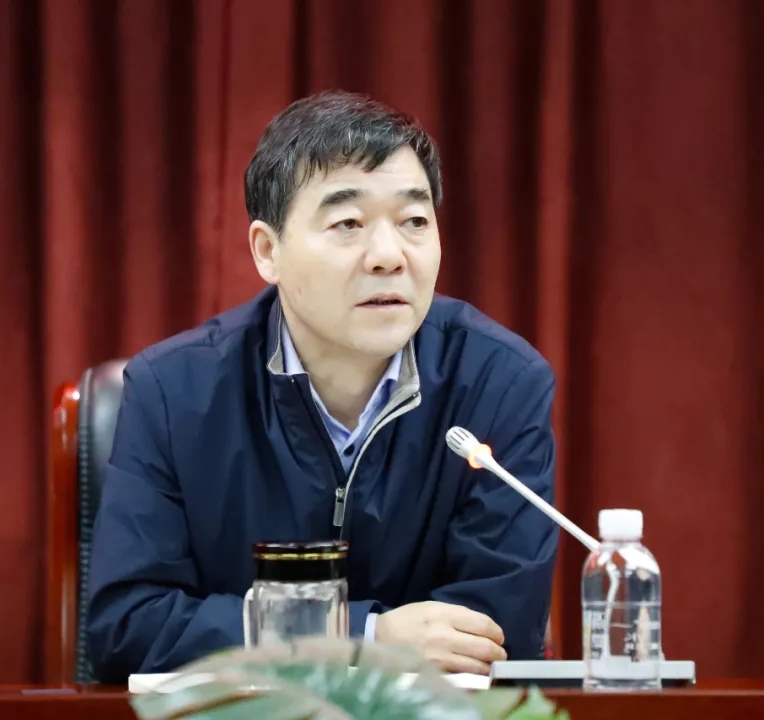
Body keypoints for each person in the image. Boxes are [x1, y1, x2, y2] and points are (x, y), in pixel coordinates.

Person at [86, 90, 560, 683]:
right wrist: (360, 639)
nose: (389, 256)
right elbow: (127, 626)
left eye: (414, 222)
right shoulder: (173, 391)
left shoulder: (501, 383)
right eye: (348, 224)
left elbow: (498, 629)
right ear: (268, 251)